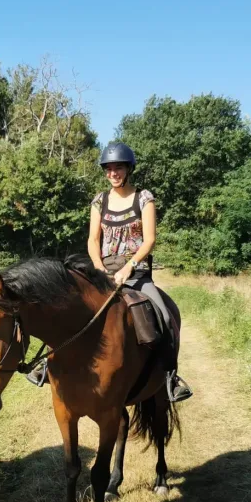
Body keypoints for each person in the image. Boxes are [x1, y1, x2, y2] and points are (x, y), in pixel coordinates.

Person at [90, 142, 192, 402]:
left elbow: (149, 240)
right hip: (103, 271)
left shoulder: (144, 198)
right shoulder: (99, 201)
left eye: (119, 168)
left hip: (135, 272)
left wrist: (129, 266)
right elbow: (92, 240)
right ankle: (47, 366)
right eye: (109, 168)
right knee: (71, 305)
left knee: (166, 319)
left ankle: (171, 378)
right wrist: (99, 268)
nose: (113, 173)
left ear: (129, 169)